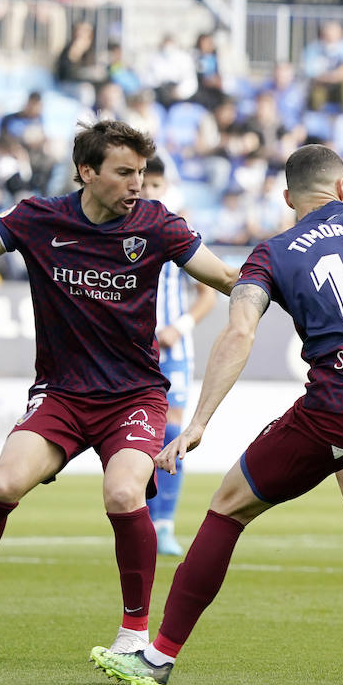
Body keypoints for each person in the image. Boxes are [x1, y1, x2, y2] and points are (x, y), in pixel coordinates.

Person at [87, 144, 343, 685]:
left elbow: (239, 332)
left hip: (341, 404)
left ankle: (156, 658)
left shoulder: (275, 251)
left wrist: (199, 422)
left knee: (229, 506)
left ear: (287, 198)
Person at [0, 122, 238, 655]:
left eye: (142, 173)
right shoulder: (37, 218)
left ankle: (132, 635)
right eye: (125, 173)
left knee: (123, 493)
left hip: (134, 395)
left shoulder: (158, 225)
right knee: (3, 483)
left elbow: (226, 280)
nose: (137, 185)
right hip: (62, 393)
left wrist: (294, 280)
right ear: (87, 171)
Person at [141, 158, 217, 556]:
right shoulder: (123, 230)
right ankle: (140, 519)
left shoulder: (178, 232)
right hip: (133, 351)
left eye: (157, 185)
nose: (150, 192)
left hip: (172, 350)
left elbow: (209, 292)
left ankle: (164, 524)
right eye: (145, 184)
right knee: (138, 437)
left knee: (172, 434)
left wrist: (180, 327)